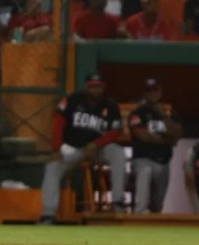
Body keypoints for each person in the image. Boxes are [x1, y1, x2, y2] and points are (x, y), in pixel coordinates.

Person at [40, 72, 126, 223]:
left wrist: (97, 143)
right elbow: (59, 122)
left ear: (103, 86)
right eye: (92, 87)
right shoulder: (73, 100)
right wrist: (56, 149)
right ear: (87, 87)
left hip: (98, 149)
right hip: (73, 148)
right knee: (52, 165)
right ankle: (48, 214)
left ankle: (117, 202)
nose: (95, 90)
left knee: (118, 153)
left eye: (98, 86)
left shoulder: (110, 104)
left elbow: (116, 131)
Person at [129, 79, 182, 214]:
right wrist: (166, 140)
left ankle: (154, 218)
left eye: (155, 90)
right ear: (145, 93)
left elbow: (176, 135)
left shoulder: (169, 114)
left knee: (157, 204)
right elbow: (143, 136)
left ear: (160, 92)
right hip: (143, 159)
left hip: (163, 162)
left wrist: (164, 116)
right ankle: (140, 212)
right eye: (149, 91)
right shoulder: (138, 113)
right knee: (145, 171)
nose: (152, 94)